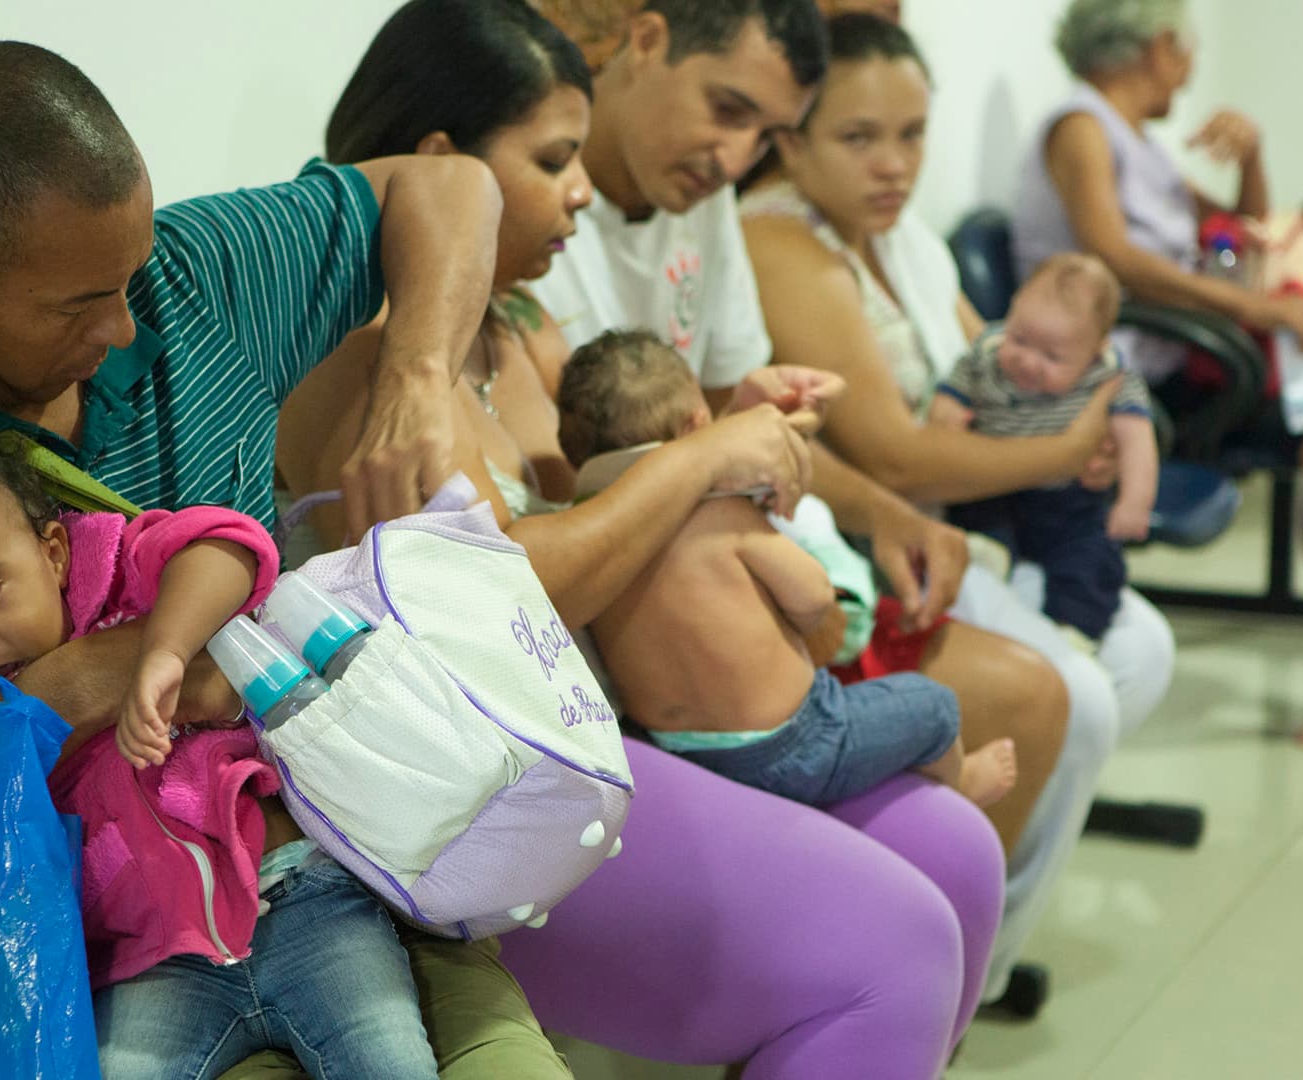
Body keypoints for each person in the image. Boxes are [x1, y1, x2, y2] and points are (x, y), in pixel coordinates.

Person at [0, 38, 570, 1080]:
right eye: (74, 304)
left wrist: (415, 379)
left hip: (345, 879)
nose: (126, 324)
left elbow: (446, 187)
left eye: (128, 278)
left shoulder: (185, 280)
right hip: (108, 964)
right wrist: (92, 679)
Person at [279, 1, 1006, 1072]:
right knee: (892, 947)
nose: (581, 191)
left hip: (602, 719)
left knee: (956, 850)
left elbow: (595, 492)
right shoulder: (364, 362)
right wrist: (698, 462)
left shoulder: (515, 323)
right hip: (483, 790)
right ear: (442, 168)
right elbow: (483, 605)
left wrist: (704, 426)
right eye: (553, 160)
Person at [737, 11, 1171, 1009]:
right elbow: (891, 451)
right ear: (792, 139)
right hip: (874, 540)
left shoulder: (907, 242)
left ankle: (990, 912)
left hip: (970, 521)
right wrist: (1068, 443)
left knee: (1140, 647)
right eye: (860, 138)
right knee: (1088, 693)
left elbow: (992, 363)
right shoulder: (786, 247)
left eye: (913, 134)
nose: (895, 164)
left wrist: (1090, 420)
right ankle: (967, 961)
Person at [0, 441, 439, 1079]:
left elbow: (228, 545)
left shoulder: (114, 577)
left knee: (390, 1059)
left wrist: (165, 648)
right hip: (142, 963)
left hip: (303, 899)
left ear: (52, 554)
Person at [1009, 0, 1303, 750]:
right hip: (1131, 388)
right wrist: (1260, 312)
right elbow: (1113, 259)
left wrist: (1255, 157)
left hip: (1192, 364)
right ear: (1158, 47)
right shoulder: (1081, 127)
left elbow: (1241, 240)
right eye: (1188, 49)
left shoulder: (1140, 143)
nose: (1192, 64)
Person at [556, 328, 1020, 807]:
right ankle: (961, 781)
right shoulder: (723, 515)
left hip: (677, 756)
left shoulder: (599, 543)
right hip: (795, 747)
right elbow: (815, 598)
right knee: (933, 706)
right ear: (699, 426)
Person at [942, 255, 1158, 648]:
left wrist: (1135, 501)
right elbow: (950, 393)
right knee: (977, 517)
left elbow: (1136, 438)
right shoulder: (986, 356)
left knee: (1092, 561)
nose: (1027, 361)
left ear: (1095, 350)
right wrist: (946, 421)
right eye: (1019, 339)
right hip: (994, 485)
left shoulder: (1109, 376)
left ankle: (1075, 628)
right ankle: (992, 551)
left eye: (1052, 357)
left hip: (1068, 501)